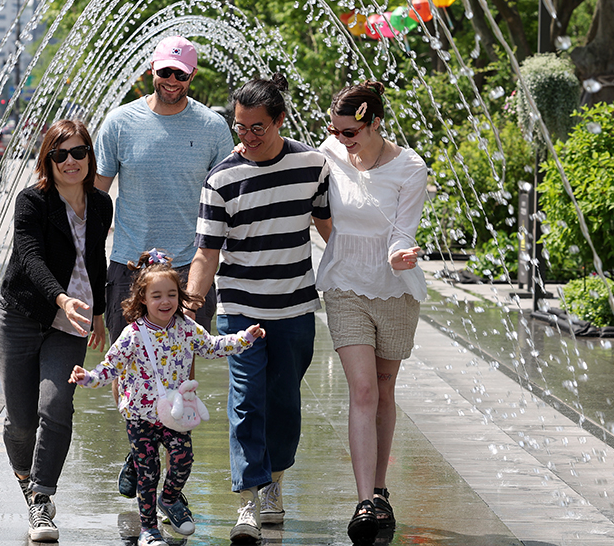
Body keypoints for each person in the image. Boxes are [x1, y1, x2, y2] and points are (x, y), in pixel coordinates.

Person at [186, 74, 332, 544]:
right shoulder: (222, 179)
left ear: (279, 122)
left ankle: (275, 483)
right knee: (247, 402)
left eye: (257, 128)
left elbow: (330, 230)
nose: (246, 137)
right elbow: (207, 251)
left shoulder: (313, 166)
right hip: (240, 311)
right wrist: (190, 304)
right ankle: (248, 500)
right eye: (239, 127)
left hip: (293, 308)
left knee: (284, 402)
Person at [93, 35, 234, 498]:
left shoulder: (213, 127)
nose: (172, 81)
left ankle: (158, 466)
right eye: (165, 72)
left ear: (193, 76)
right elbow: (96, 197)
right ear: (150, 70)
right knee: (130, 364)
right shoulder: (120, 122)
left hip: (188, 269)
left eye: (181, 74)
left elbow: (227, 197)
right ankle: (142, 451)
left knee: (179, 371)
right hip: (130, 266)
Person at [71, 250, 264, 546]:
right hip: (140, 417)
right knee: (148, 473)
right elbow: (110, 366)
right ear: (143, 299)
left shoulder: (185, 329)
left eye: (172, 294)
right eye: (157, 295)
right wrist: (88, 378)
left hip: (174, 416)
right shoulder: (133, 334)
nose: (165, 302)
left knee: (183, 459)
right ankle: (148, 529)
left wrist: (244, 339)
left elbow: (212, 346)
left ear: (180, 297)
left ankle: (170, 498)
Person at [314, 81, 428, 544]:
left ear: (374, 122)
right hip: (343, 283)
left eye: (349, 132)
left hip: (395, 289)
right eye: (335, 130)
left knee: (383, 388)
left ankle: (381, 489)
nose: (341, 139)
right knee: (362, 389)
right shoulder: (329, 154)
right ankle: (364, 501)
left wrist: (402, 255)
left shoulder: (410, 167)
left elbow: (404, 231)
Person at [0, 118, 112, 543]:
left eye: (79, 152)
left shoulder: (100, 203)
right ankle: (26, 474)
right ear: (48, 159)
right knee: (22, 423)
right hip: (23, 316)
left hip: (72, 324)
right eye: (60, 154)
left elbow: (95, 259)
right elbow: (30, 258)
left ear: (89, 156)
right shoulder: (32, 201)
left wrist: (96, 313)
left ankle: (41, 500)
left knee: (56, 405)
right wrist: (61, 298)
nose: (70, 161)